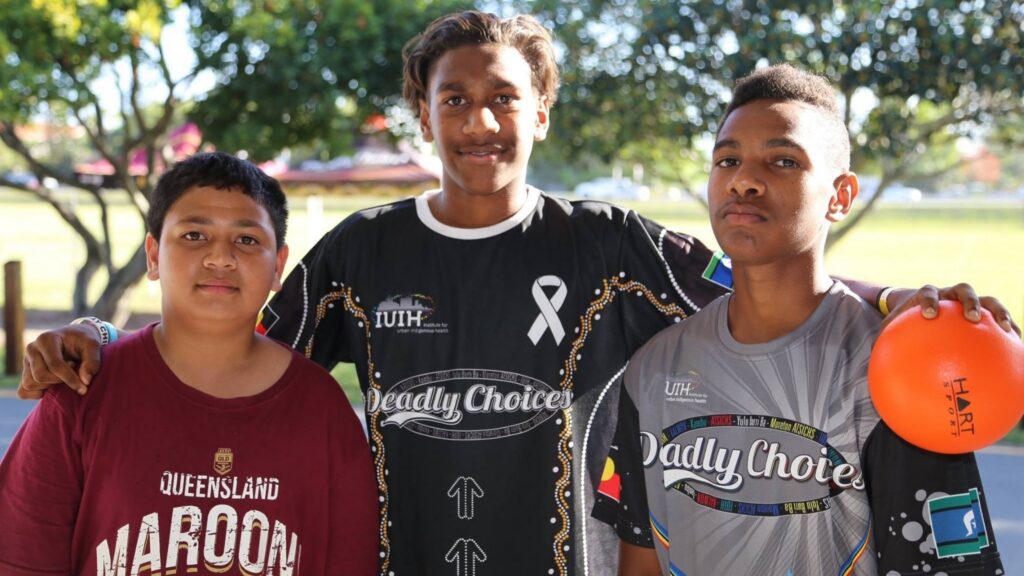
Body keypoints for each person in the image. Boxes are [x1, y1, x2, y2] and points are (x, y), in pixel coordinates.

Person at [16, 12, 1017, 576]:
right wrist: (105, 329)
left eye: (503, 97)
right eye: (454, 98)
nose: (479, 120)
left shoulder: (615, 245)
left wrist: (897, 306)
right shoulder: (358, 254)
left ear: (540, 109)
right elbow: (217, 337)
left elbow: (761, 275)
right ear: (422, 114)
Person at [592, 64, 1005, 575]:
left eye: (783, 160)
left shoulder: (895, 367)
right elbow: (642, 556)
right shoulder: (654, 366)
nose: (744, 180)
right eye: (728, 159)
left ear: (841, 195)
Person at [0, 152, 378, 575]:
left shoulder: (321, 408)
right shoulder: (83, 392)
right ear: (154, 254)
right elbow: (22, 559)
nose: (220, 258)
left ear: (278, 266)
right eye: (194, 235)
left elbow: (352, 560)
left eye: (247, 240)